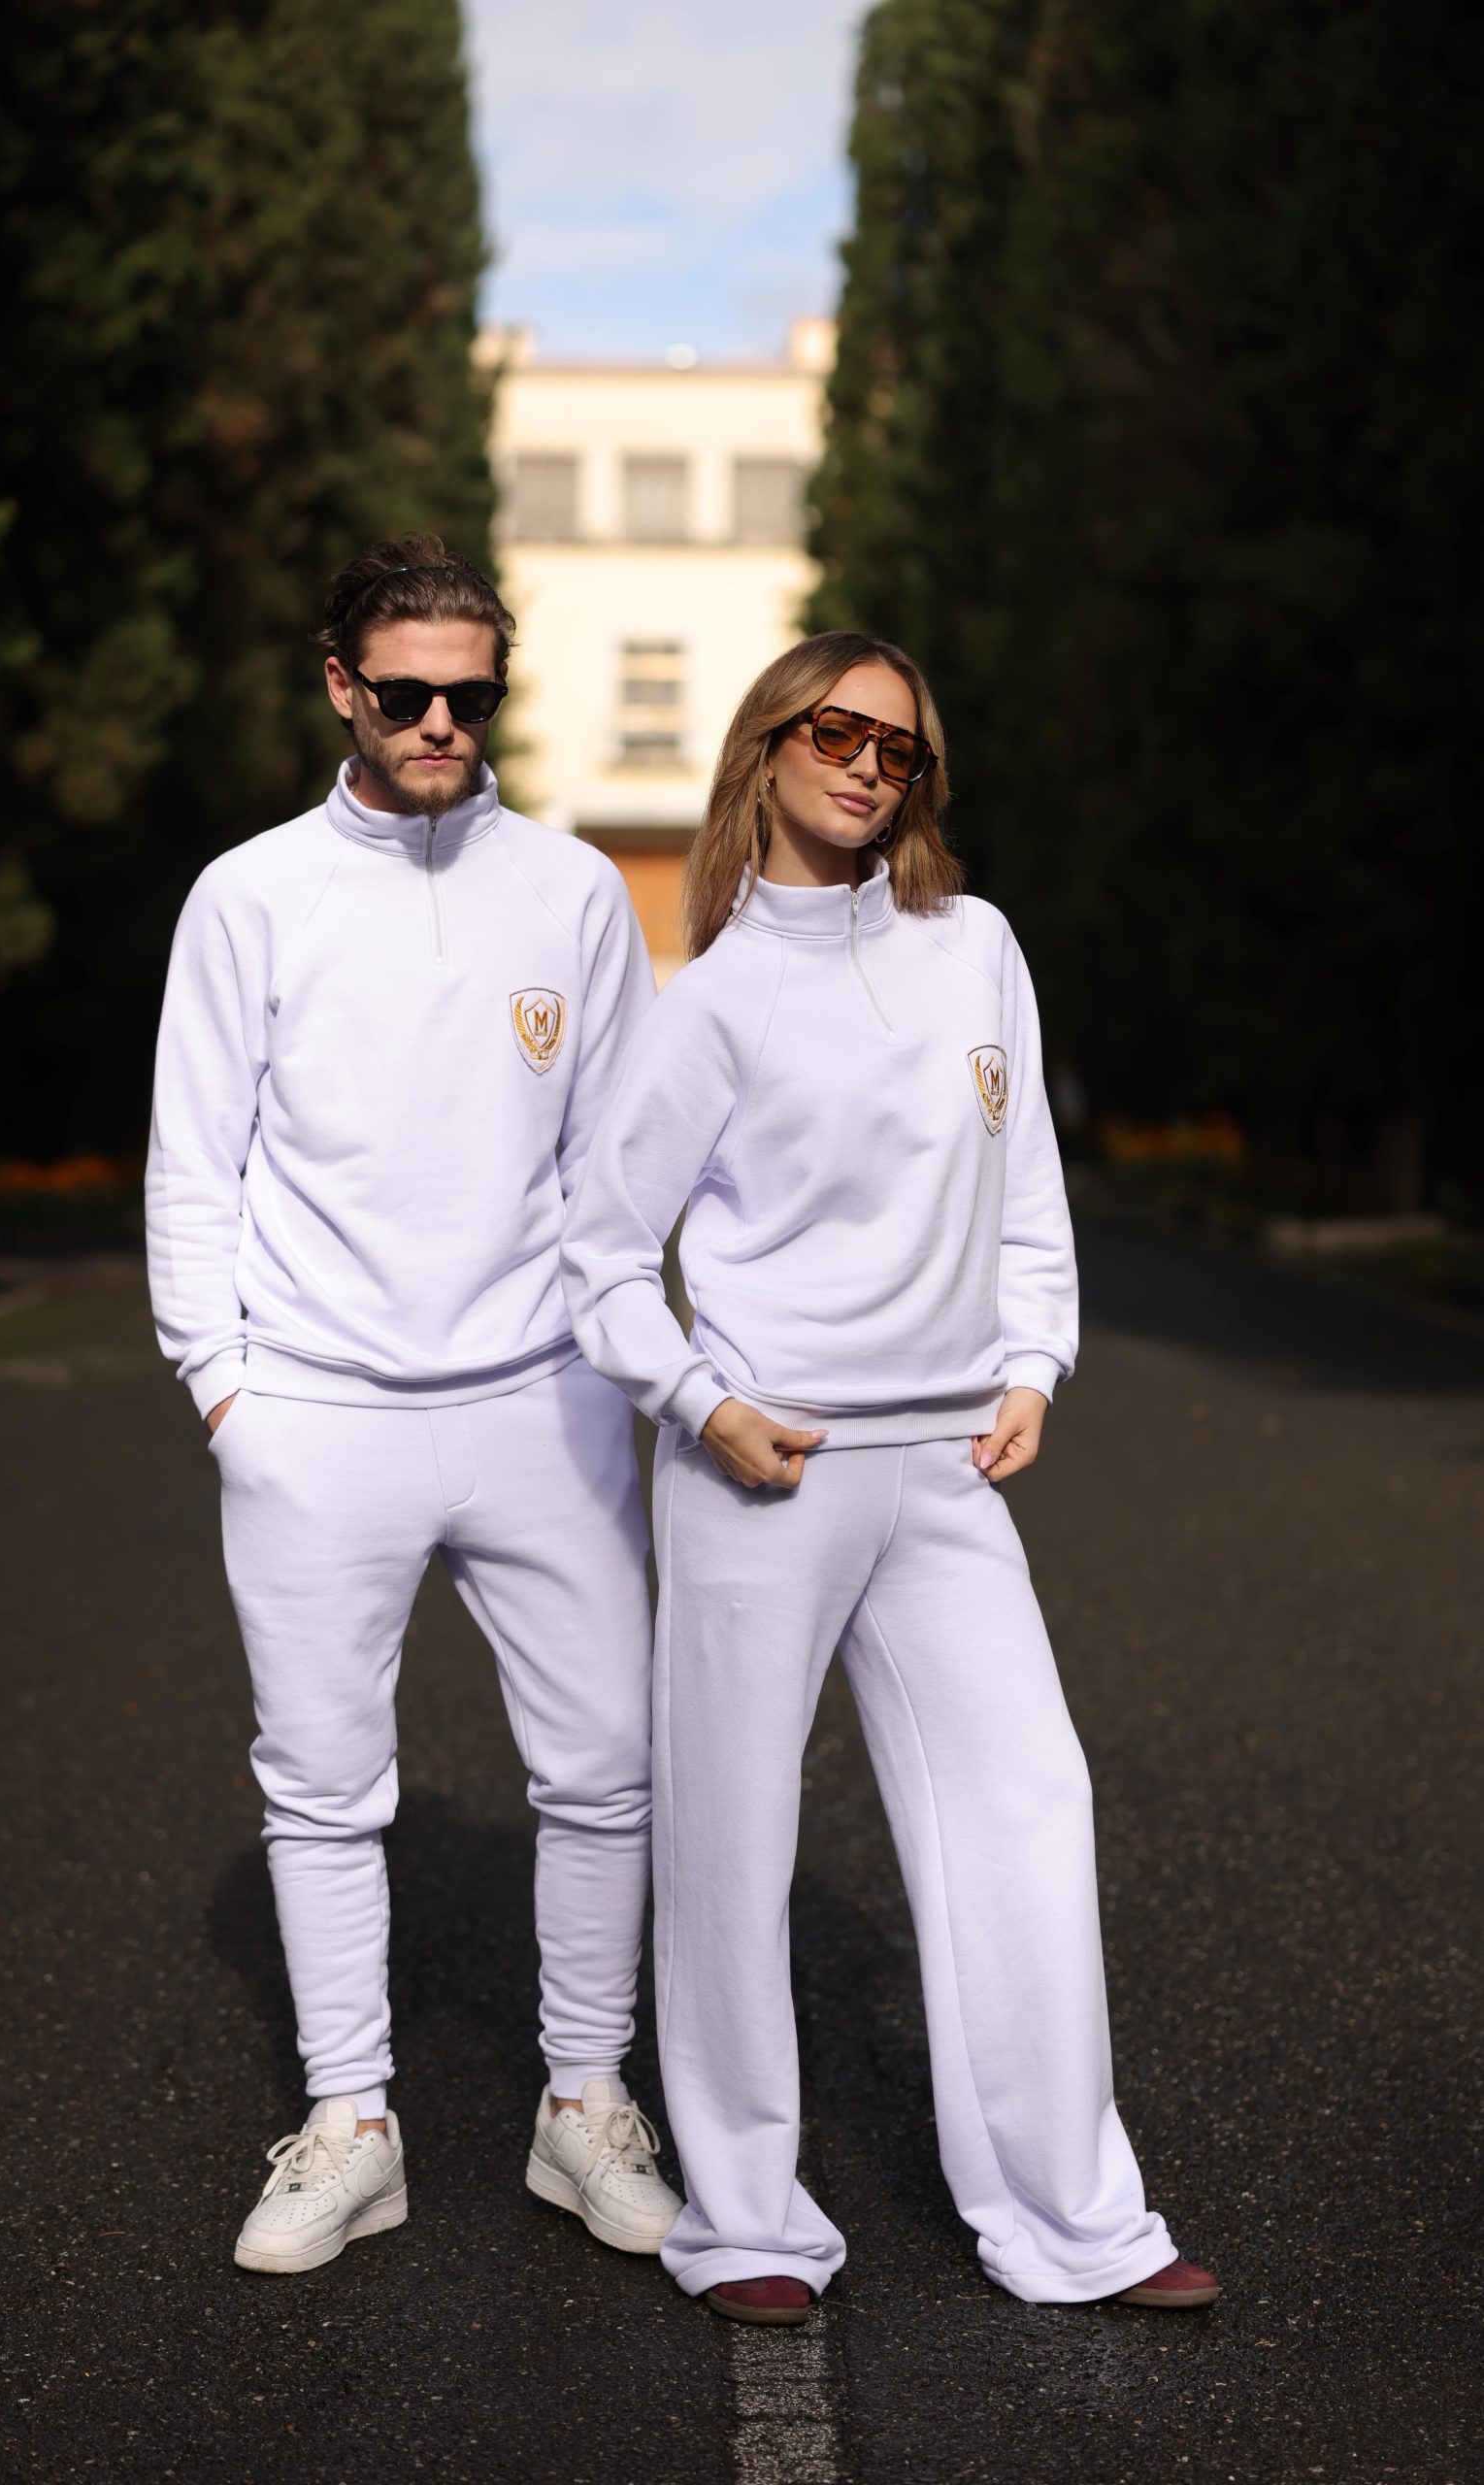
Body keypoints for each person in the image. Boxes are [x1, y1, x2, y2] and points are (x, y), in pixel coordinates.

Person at [561, 632, 1218, 2326]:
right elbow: (603, 1261)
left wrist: (1035, 1360)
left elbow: (1028, 1192)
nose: (867, 765)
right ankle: (748, 2219)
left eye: (900, 749)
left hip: (945, 1464)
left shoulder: (973, 948)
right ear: (768, 746)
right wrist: (702, 1405)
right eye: (838, 733)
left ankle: (1074, 2219)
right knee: (731, 1841)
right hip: (764, 1466)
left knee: (1029, 1806)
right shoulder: (709, 1004)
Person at [146, 536, 679, 2275]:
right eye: (405, 693)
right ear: (341, 688)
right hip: (314, 1414)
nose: (441, 721)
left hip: (543, 1407)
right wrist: (229, 1393)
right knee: (322, 1790)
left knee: (606, 1773)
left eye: (471, 694)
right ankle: (352, 2123)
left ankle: (583, 2103)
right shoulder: (249, 896)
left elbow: (619, 1164)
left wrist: (618, 1367)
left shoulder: (577, 893)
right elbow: (194, 1162)